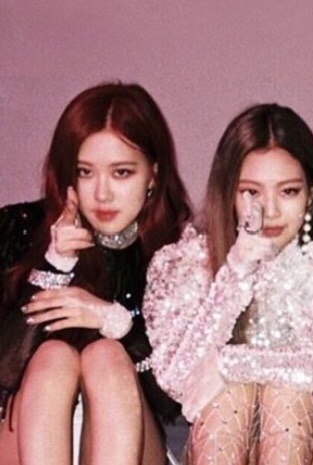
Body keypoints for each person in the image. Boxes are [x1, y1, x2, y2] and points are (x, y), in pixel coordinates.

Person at [142, 103, 313, 464]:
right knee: (231, 396)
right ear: (229, 191)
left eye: (288, 191)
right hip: (225, 437)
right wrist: (234, 274)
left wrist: (233, 363)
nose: (270, 209)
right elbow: (175, 377)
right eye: (252, 193)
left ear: (312, 190)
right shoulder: (190, 261)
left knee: (288, 393)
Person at [0, 82, 192, 464]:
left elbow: (174, 400)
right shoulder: (20, 227)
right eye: (86, 172)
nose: (102, 194)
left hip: (128, 437)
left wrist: (115, 322)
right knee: (54, 357)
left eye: (121, 173)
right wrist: (55, 265)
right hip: (25, 439)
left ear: (153, 175)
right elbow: (5, 370)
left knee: (106, 357)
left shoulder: (177, 253)